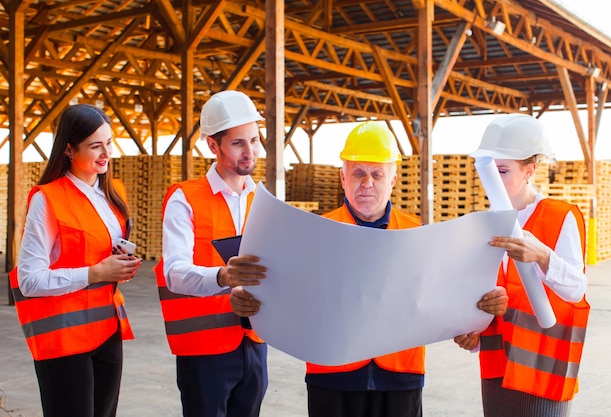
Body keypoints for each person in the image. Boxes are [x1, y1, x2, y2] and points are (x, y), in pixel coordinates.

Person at [230, 121, 509, 417]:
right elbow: (288, 290)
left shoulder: (418, 234)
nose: (367, 183)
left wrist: (478, 317)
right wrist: (250, 303)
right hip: (332, 373)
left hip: (400, 375)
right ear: (343, 177)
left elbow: (447, 294)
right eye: (359, 173)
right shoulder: (315, 233)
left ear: (392, 179)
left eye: (377, 174)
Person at [9, 104, 142, 417]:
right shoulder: (48, 199)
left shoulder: (112, 195)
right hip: (64, 338)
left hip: (107, 330)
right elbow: (29, 280)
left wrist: (120, 267)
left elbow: (96, 255)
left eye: (109, 143)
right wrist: (95, 273)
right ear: (68, 149)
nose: (106, 153)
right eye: (95, 146)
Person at [454, 113, 590, 417]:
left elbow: (576, 291)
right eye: (489, 169)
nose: (495, 180)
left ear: (530, 169)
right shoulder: (484, 224)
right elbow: (483, 294)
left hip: (543, 367)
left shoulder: (560, 216)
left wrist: (541, 254)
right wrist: (472, 330)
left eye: (503, 170)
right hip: (497, 366)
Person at [154, 90, 269, 417]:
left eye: (254, 140)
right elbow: (174, 272)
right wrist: (224, 276)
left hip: (255, 342)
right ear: (212, 146)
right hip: (204, 347)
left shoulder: (261, 200)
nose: (250, 152)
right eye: (238, 143)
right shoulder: (184, 199)